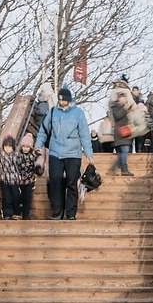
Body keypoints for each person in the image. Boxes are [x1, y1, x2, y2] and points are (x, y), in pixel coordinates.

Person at [37, 87, 95, 219]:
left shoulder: (78, 113)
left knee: (71, 183)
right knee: (55, 181)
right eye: (60, 100)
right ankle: (57, 211)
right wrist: (37, 146)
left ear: (69, 100)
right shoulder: (52, 113)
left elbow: (84, 134)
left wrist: (88, 154)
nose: (62, 102)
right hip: (55, 152)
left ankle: (70, 213)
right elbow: (43, 131)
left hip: (73, 153)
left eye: (64, 100)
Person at [0, 134, 38, 219]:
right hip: (15, 180)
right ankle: (11, 214)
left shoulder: (25, 156)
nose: (25, 148)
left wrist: (36, 157)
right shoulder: (13, 155)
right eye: (24, 146)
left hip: (27, 181)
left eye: (28, 147)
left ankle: (24, 215)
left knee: (24, 198)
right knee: (11, 197)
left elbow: (31, 160)